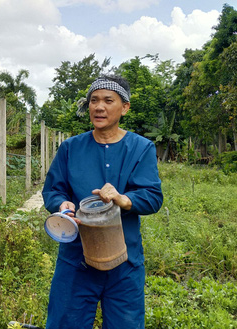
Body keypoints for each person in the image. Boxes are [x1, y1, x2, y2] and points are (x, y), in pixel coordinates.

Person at [42, 74, 163, 328]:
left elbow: (152, 197)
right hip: (76, 260)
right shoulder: (70, 148)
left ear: (125, 107)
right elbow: (53, 189)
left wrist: (123, 198)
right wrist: (61, 204)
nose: (99, 106)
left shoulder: (141, 148)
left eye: (109, 100)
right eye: (94, 100)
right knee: (65, 322)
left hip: (124, 261)